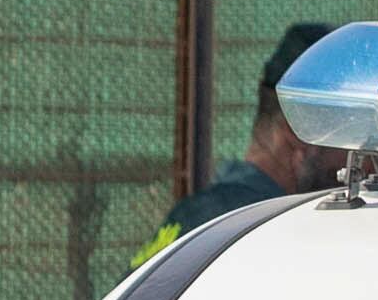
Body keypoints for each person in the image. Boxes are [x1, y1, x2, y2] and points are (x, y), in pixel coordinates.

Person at [140, 22, 349, 260]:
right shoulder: (269, 233)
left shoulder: (199, 215)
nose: (368, 164)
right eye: (350, 134)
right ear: (298, 129)